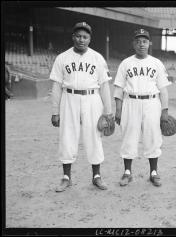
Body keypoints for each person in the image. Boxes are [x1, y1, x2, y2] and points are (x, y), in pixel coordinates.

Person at [50, 22, 112, 192]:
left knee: (94, 136)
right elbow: (56, 86)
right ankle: (66, 177)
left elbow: (105, 86)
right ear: (73, 37)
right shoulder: (62, 58)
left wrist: (108, 112)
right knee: (67, 136)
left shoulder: (98, 58)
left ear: (90, 39)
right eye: (78, 36)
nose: (81, 39)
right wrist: (55, 112)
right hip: (68, 98)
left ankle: (97, 176)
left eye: (85, 37)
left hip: (92, 98)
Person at [113, 29, 171, 187]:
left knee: (153, 137)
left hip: (152, 103)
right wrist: (118, 110)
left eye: (144, 41)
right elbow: (118, 89)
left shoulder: (156, 63)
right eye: (138, 41)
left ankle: (153, 172)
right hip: (130, 102)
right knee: (128, 137)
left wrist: (164, 110)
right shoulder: (126, 63)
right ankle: (127, 172)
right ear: (133, 44)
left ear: (149, 43)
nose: (141, 44)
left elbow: (163, 90)